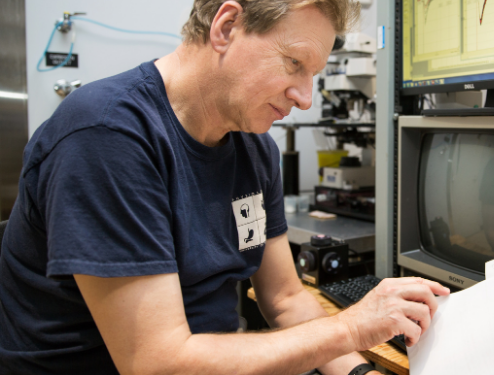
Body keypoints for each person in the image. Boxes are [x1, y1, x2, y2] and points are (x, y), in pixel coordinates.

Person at [0, 1, 449, 374]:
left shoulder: (254, 150)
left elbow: (286, 298)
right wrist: (352, 327)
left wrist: (359, 372)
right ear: (227, 26)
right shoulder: (108, 136)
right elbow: (155, 363)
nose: (305, 97)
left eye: (313, 74)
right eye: (294, 63)